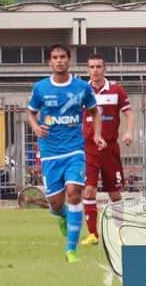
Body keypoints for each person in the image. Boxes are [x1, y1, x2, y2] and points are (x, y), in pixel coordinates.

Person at [27, 44, 105, 263]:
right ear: (49, 62)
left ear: (69, 60)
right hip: (50, 152)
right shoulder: (41, 88)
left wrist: (97, 135)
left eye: (62, 57)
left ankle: (71, 250)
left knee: (74, 192)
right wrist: (35, 127)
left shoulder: (81, 87)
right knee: (55, 204)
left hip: (74, 150)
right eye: (55, 57)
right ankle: (62, 216)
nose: (59, 60)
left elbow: (95, 112)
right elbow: (31, 113)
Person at [80, 54, 134, 245]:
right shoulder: (82, 91)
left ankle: (120, 232)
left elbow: (128, 112)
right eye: (92, 67)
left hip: (110, 148)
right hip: (89, 148)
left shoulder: (116, 90)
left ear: (105, 69)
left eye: (98, 67)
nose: (95, 70)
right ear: (87, 69)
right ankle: (93, 234)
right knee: (89, 190)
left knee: (114, 193)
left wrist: (128, 132)